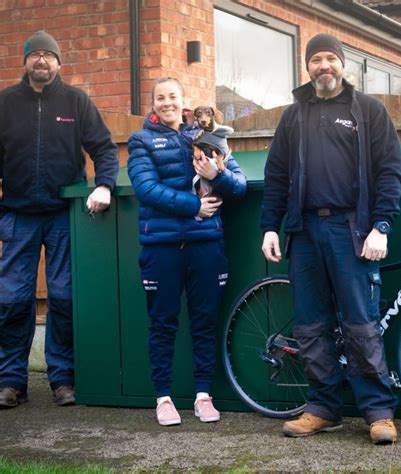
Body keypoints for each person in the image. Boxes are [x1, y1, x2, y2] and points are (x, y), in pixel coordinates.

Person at [261, 34, 401, 444]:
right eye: (316, 60)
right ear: (307, 67)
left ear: (344, 65)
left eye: (331, 59)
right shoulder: (293, 116)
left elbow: (390, 172)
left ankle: (378, 412)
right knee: (310, 325)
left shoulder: (369, 111)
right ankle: (323, 408)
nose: (324, 66)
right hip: (303, 232)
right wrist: (270, 225)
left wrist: (382, 225)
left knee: (360, 323)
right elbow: (275, 176)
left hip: (351, 230)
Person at [0, 31, 119, 408]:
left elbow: (103, 148)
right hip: (18, 215)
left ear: (58, 63)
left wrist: (104, 186)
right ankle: (10, 380)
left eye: (48, 56)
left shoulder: (76, 101)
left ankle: (62, 378)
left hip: (63, 215)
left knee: (65, 296)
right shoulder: (5, 103)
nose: (41, 61)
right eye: (34, 54)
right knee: (12, 299)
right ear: (25, 61)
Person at [127, 77, 246, 426]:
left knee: (204, 323)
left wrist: (215, 174)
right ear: (152, 103)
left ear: (183, 102)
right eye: (160, 97)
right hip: (161, 248)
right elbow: (146, 189)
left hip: (206, 246)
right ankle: (163, 398)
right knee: (162, 324)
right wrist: (193, 206)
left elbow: (237, 187)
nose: (167, 103)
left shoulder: (209, 136)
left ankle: (203, 396)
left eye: (173, 97)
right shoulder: (141, 140)